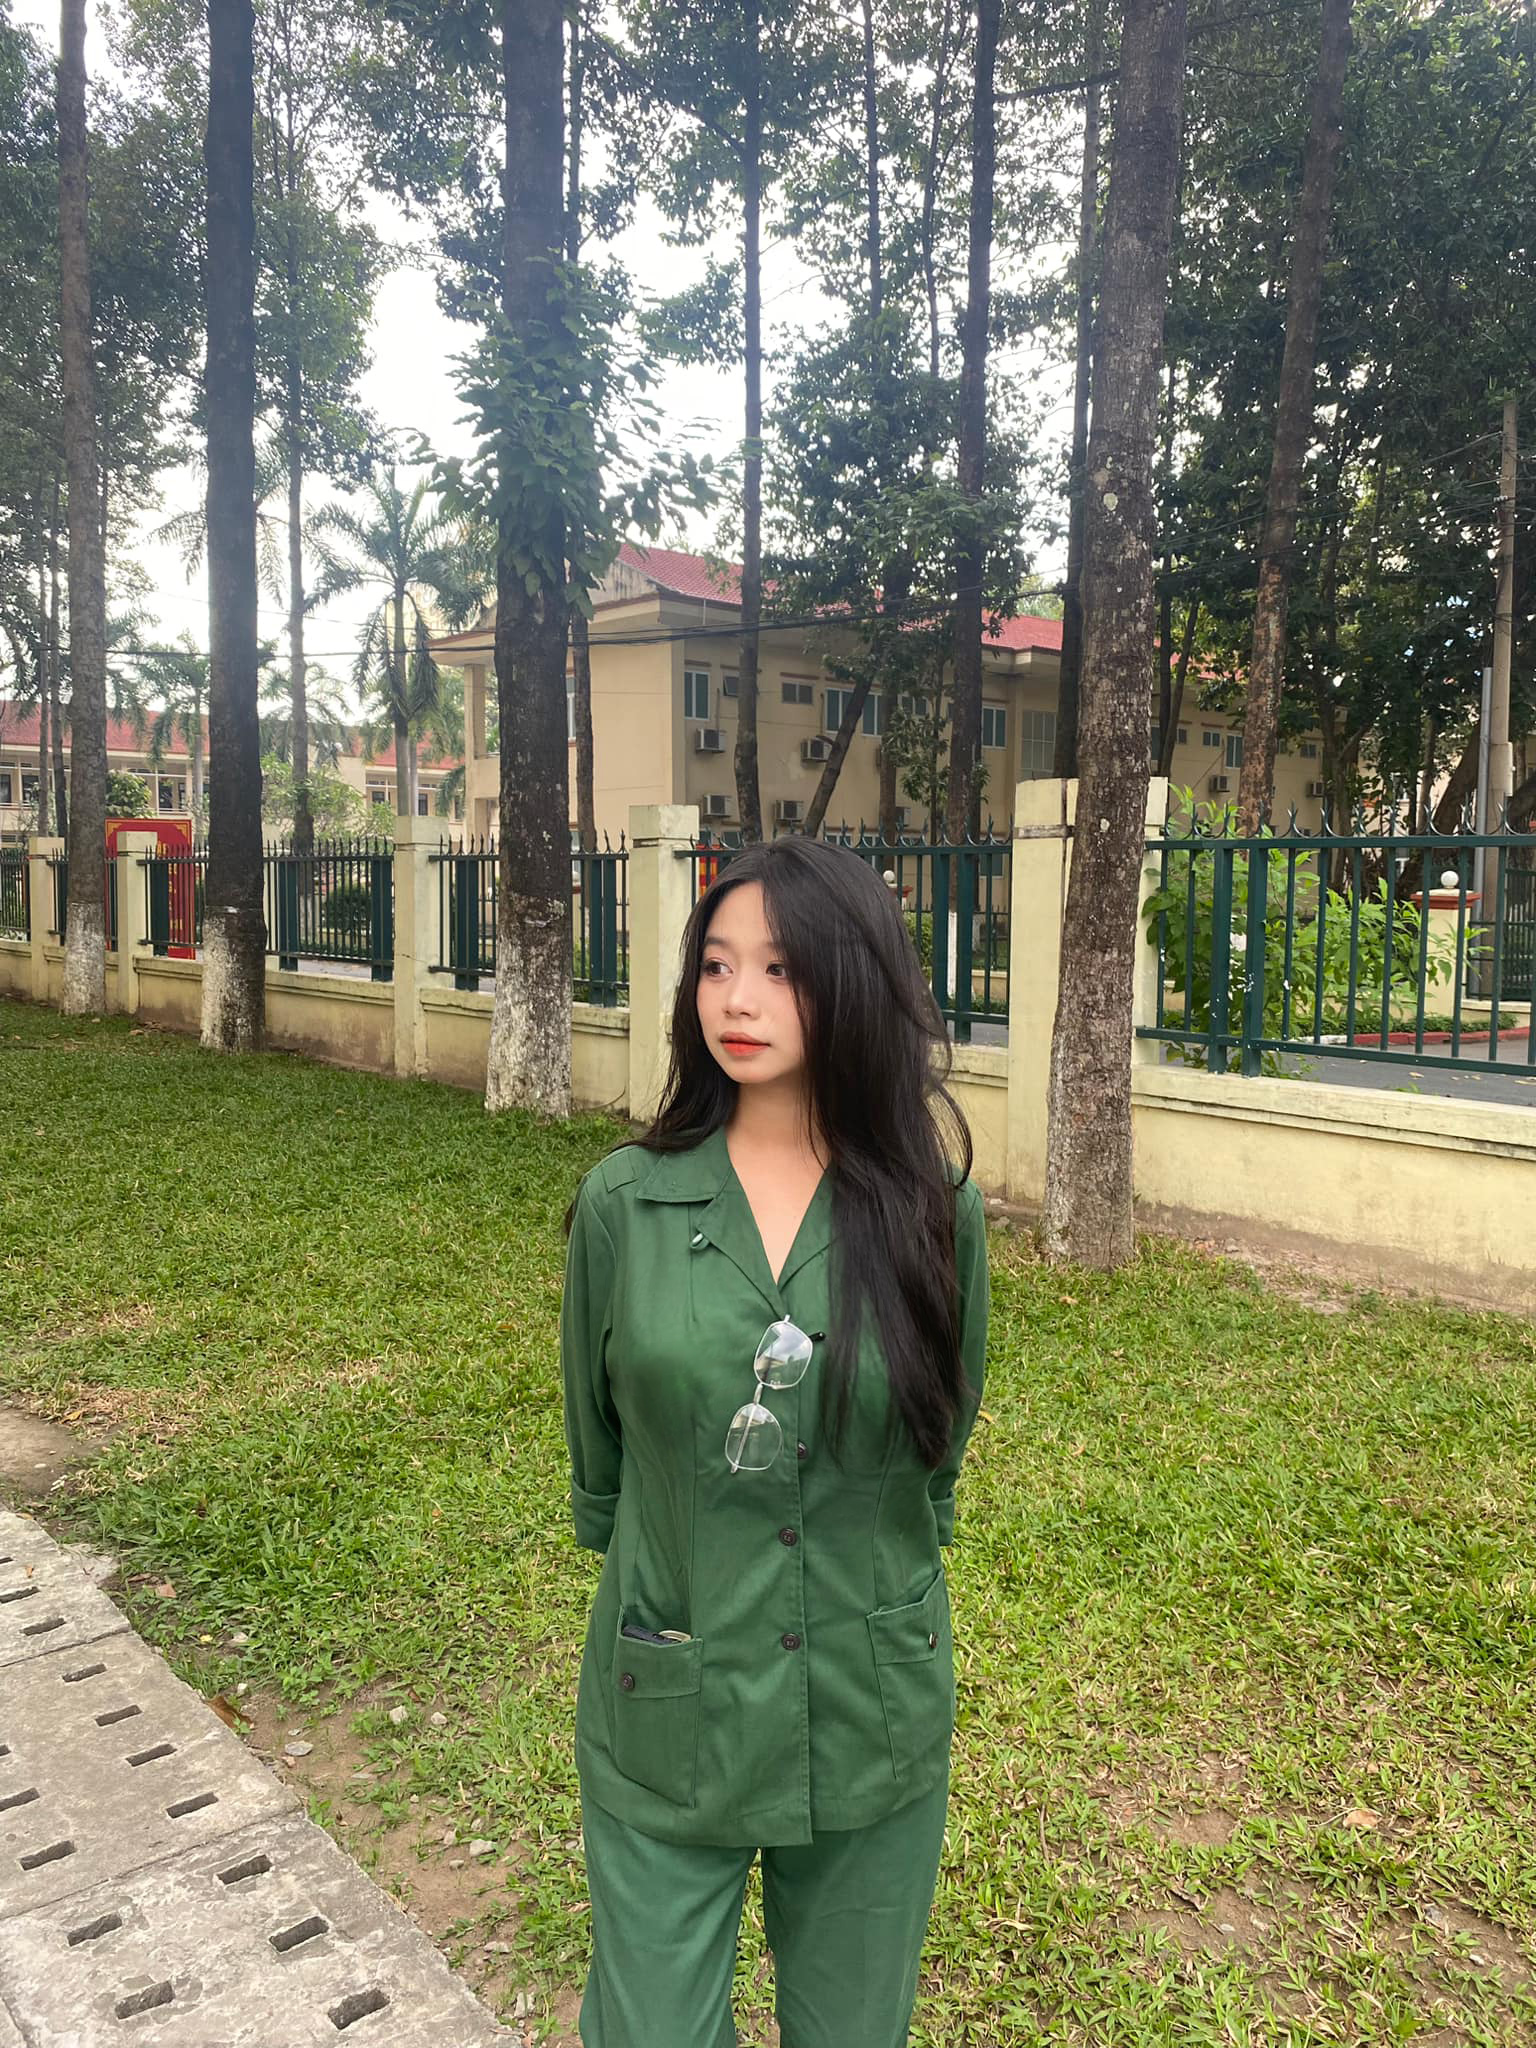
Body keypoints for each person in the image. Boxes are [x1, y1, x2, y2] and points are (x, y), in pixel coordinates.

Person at [559, 833, 991, 2048]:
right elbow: (603, 1458)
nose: (736, 999)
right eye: (716, 964)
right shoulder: (624, 1204)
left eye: (781, 967)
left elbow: (938, 1442)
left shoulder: (931, 1210)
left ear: (853, 977)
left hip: (869, 1696)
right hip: (670, 1692)